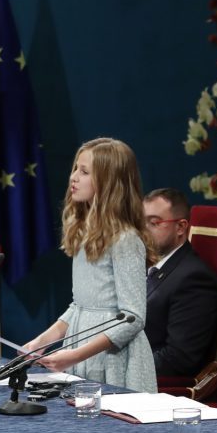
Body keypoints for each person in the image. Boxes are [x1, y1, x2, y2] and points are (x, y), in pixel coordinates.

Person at [24, 138, 157, 393]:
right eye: (76, 168)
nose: (73, 177)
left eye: (84, 172)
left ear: (109, 182)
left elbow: (133, 318)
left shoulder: (125, 240)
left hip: (115, 361)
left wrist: (76, 355)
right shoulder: (85, 234)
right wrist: (40, 342)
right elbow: (79, 307)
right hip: (82, 351)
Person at [143, 188, 217, 377]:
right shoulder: (142, 264)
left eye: (153, 223)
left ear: (180, 227)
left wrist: (121, 368)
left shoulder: (195, 279)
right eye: (141, 222)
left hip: (155, 386)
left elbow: (178, 358)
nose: (143, 231)